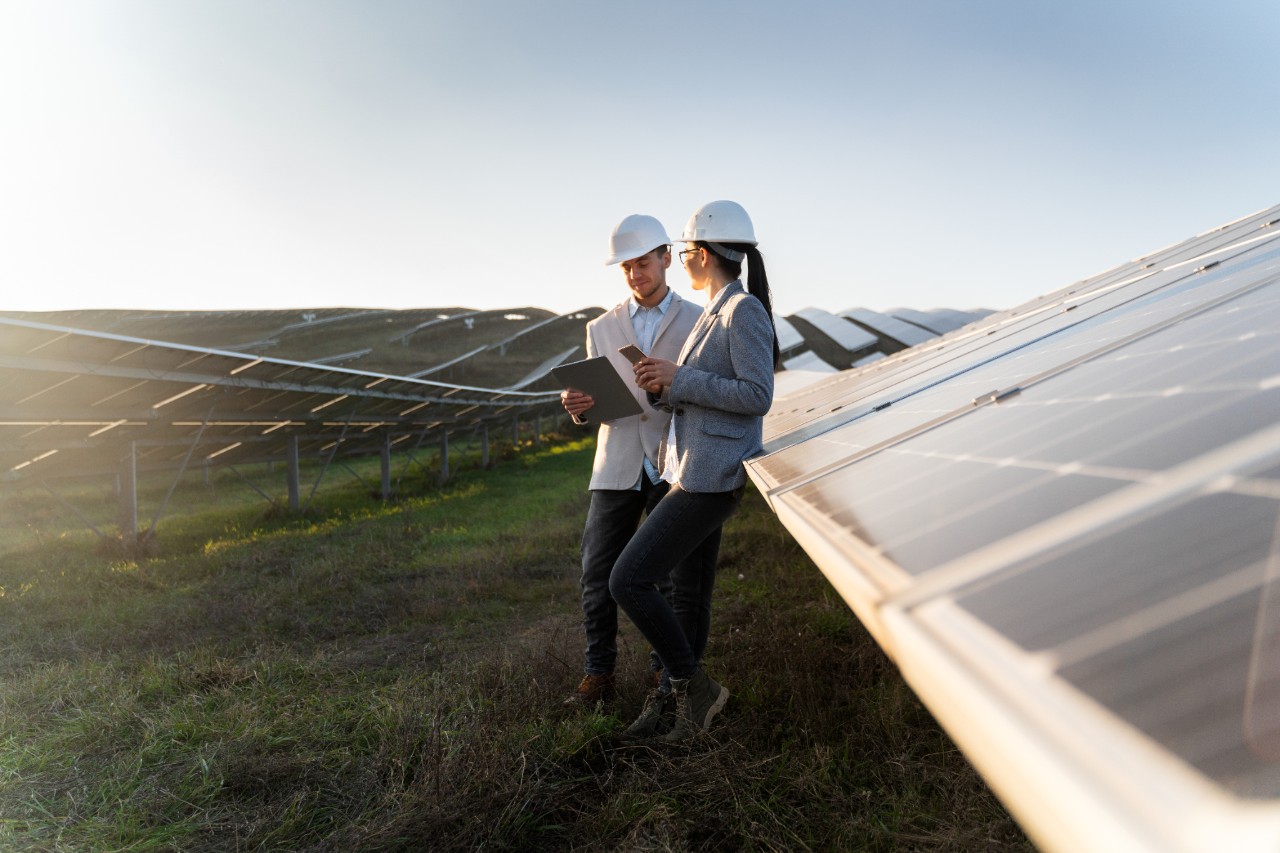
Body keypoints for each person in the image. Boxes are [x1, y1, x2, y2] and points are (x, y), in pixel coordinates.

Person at [610, 199, 778, 742]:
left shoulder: (741, 310)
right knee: (690, 594)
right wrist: (664, 388)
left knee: (629, 578)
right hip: (693, 469)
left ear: (702, 254)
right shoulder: (715, 309)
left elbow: (757, 395)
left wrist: (678, 379)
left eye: (684, 252)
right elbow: (703, 394)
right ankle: (672, 704)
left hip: (711, 478)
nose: (682, 261)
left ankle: (691, 684)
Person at [559, 214, 703, 709]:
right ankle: (598, 674)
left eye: (643, 262)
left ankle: (667, 676)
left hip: (671, 461)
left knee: (663, 576)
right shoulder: (599, 327)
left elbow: (702, 392)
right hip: (616, 460)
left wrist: (669, 386)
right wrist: (579, 408)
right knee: (597, 570)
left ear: (666, 258)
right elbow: (593, 397)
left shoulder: (699, 319)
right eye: (626, 266)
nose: (635, 273)